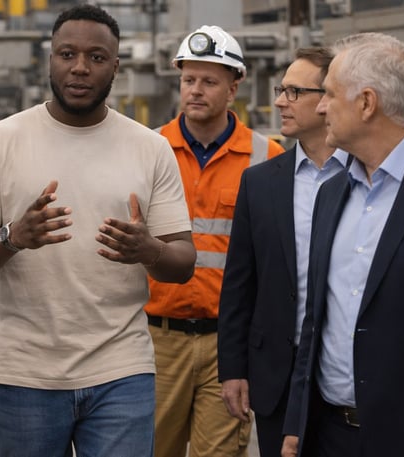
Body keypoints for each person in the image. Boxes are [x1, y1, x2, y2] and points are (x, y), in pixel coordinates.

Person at [0, 4, 197, 456]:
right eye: (67, 54)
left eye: (96, 57)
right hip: (25, 374)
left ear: (115, 67)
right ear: (50, 60)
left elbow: (182, 264)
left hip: (121, 370)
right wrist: (13, 237)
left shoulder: (151, 148)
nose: (80, 67)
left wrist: (150, 250)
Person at [281, 33, 404, 457]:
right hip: (327, 434)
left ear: (367, 103)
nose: (321, 107)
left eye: (330, 94)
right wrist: (296, 423)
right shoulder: (332, 192)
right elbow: (315, 320)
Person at [144, 25, 283, 457]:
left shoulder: (267, 157)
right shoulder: (148, 149)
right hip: (157, 341)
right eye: (189, 79)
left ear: (233, 88)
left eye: (209, 81)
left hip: (230, 346)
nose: (196, 90)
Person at [217, 47, 348, 457]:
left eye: (294, 92)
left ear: (328, 99)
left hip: (346, 374)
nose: (279, 102)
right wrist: (233, 369)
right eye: (281, 90)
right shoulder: (259, 183)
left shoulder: (366, 178)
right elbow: (239, 284)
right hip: (277, 374)